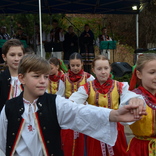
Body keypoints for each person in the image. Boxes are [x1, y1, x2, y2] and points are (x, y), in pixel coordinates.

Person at [0, 54, 146, 156]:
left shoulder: (54, 103)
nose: (43, 81)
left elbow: (81, 111)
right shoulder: (9, 108)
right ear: (22, 78)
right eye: (36, 76)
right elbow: (2, 144)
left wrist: (114, 114)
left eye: (45, 76)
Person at [69, 55, 145, 156]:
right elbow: (72, 102)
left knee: (118, 152)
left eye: (106, 68)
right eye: (99, 69)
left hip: (115, 128)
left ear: (110, 69)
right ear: (93, 70)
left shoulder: (119, 86)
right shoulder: (87, 88)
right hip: (95, 129)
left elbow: (130, 96)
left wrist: (135, 100)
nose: (103, 72)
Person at [60, 52, 95, 156]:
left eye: (77, 65)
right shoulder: (64, 78)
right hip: (68, 111)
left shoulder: (89, 78)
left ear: (82, 64)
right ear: (69, 65)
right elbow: (60, 95)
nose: (75, 68)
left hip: (83, 111)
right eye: (72, 65)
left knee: (84, 136)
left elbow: (93, 95)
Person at [127, 53, 156, 156]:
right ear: (139, 74)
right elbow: (125, 104)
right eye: (152, 72)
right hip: (141, 150)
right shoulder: (133, 96)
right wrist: (132, 101)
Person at [0, 39, 24, 112]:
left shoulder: (30, 78)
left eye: (20, 55)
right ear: (4, 57)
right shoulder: (1, 79)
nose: (16, 59)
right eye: (12, 55)